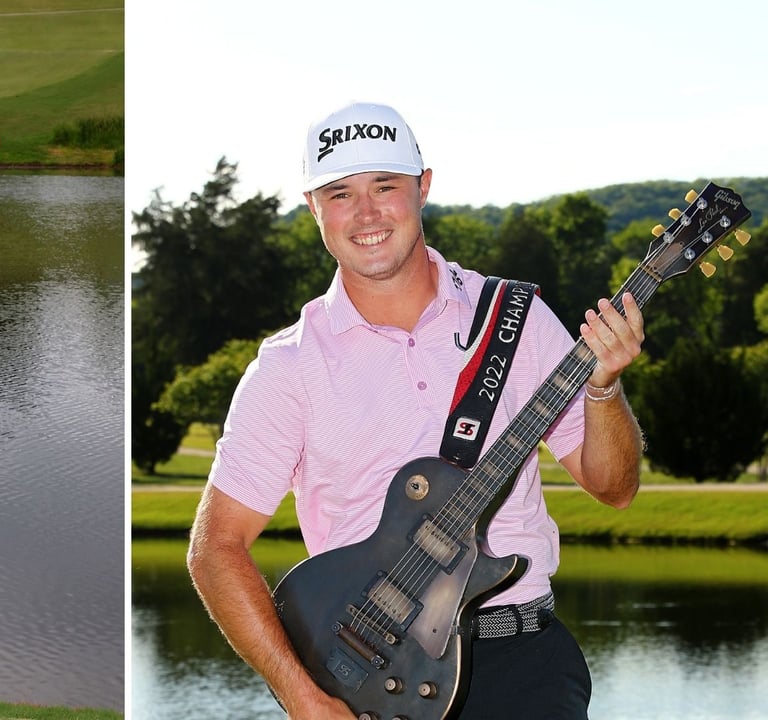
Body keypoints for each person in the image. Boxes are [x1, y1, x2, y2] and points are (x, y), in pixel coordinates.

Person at [186, 102, 644, 720]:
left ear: (424, 187)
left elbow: (614, 488)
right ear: (313, 207)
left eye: (386, 187)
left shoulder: (517, 318)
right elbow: (216, 548)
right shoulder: (288, 366)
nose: (367, 213)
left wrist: (604, 389)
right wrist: (303, 698)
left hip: (523, 667)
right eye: (341, 193)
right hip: (373, 682)